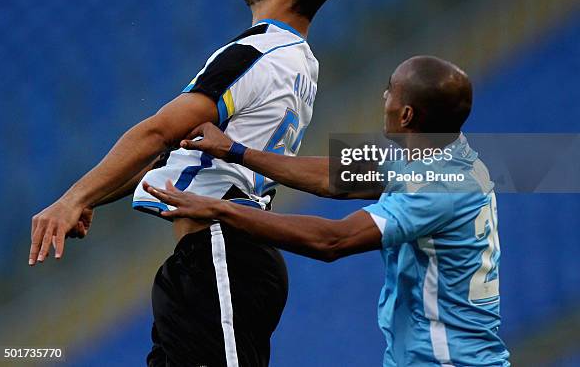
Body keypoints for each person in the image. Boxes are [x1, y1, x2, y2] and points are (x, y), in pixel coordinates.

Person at [29, 0, 363, 367]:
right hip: (211, 259)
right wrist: (97, 194)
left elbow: (158, 132)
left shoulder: (254, 55)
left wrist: (73, 198)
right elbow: (183, 150)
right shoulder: (300, 62)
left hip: (222, 254)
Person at [145, 56, 511, 367]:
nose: (384, 96)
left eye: (391, 91)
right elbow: (333, 175)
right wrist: (237, 151)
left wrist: (220, 209)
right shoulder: (443, 155)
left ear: (407, 115)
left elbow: (332, 241)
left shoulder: (437, 186)